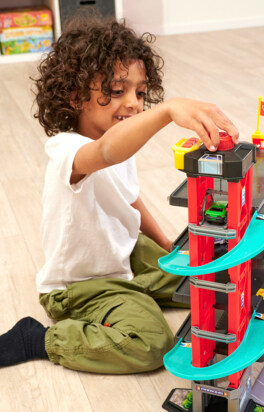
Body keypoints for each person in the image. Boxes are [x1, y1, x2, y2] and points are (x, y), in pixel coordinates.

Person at [0, 17, 238, 373]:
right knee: (151, 343)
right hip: (82, 285)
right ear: (75, 97)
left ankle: (145, 285)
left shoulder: (120, 143)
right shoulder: (67, 149)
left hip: (124, 252)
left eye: (140, 93)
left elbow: (129, 200)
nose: (134, 104)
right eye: (116, 90)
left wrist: (170, 248)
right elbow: (107, 151)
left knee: (211, 277)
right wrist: (168, 110)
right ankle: (36, 339)